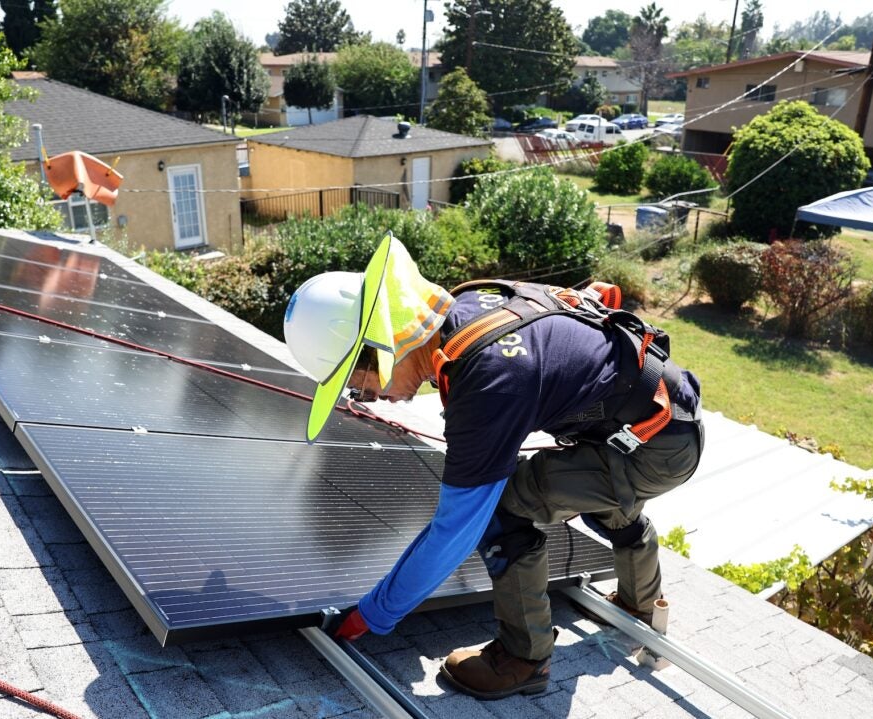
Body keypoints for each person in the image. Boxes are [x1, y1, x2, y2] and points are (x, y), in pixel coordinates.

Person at [283, 235, 703, 700]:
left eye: (358, 385)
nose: (370, 398)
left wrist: (374, 614)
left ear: (381, 345)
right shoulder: (469, 305)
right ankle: (640, 604)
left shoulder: (487, 381)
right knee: (577, 487)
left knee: (503, 508)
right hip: (657, 418)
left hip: (653, 449)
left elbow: (456, 531)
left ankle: (524, 660)